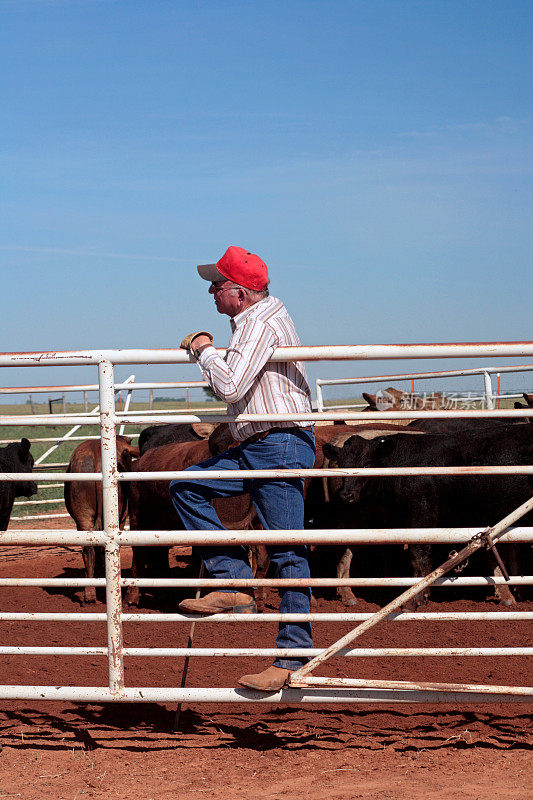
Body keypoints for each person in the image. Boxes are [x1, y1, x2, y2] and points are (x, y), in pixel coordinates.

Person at [169, 245, 316, 692]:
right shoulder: (256, 321)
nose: (211, 293)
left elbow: (230, 385)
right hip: (260, 442)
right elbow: (233, 388)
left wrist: (204, 349)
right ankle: (234, 581)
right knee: (186, 486)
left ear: (241, 292)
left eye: (217, 285)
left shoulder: (260, 323)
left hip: (278, 443)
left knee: (287, 549)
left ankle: (292, 655)